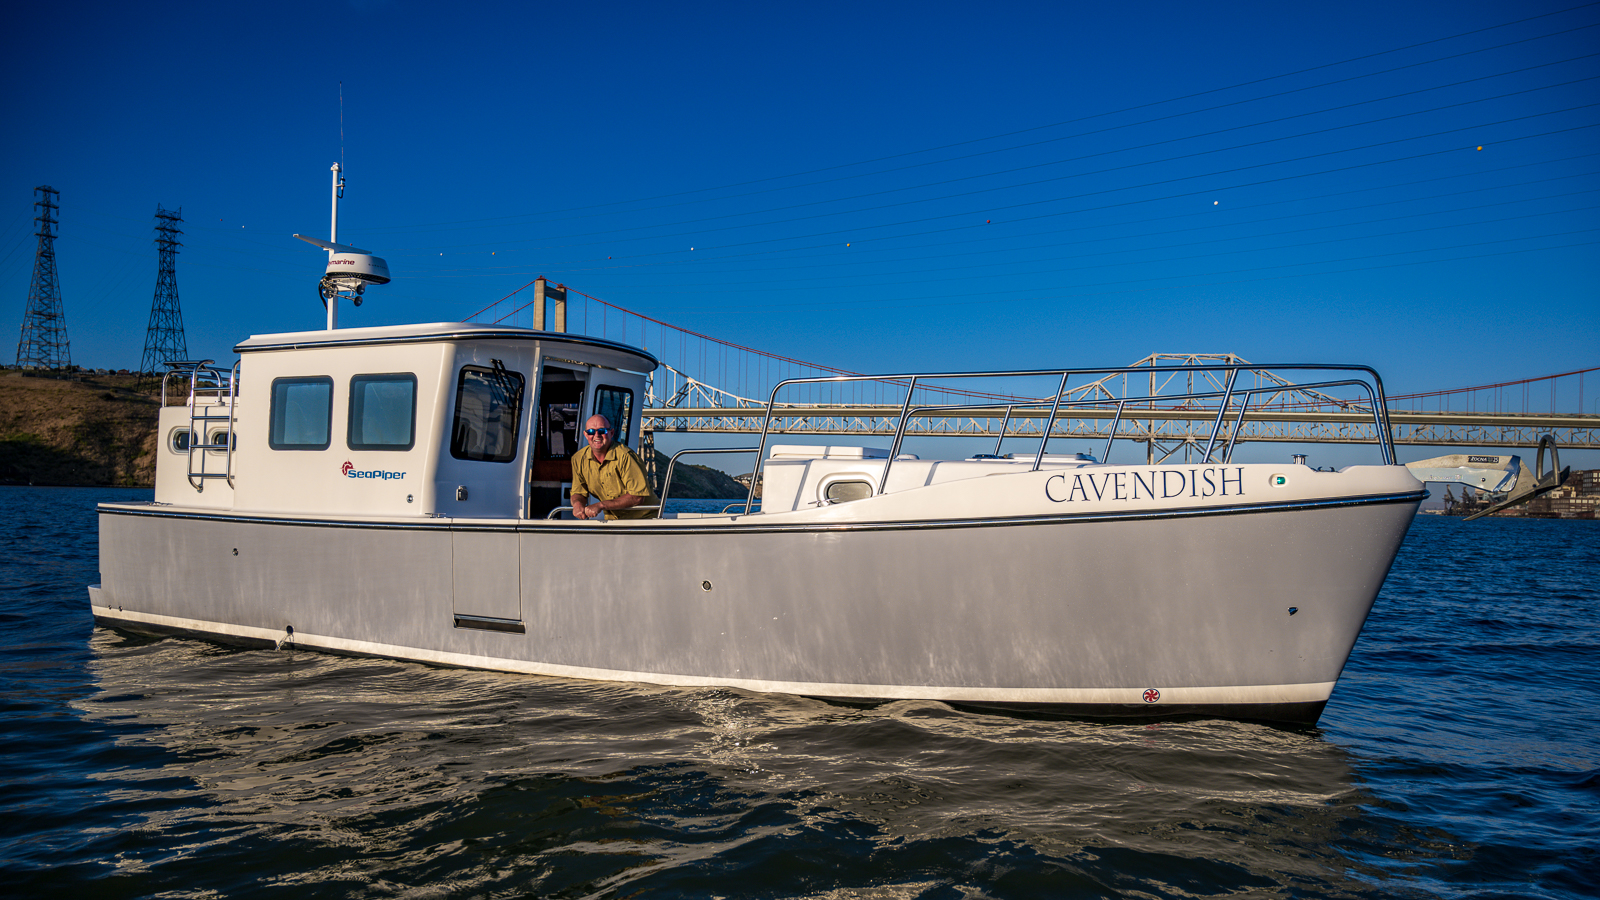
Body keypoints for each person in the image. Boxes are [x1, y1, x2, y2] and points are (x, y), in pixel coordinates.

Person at [570, 414, 658, 520]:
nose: (596, 435)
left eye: (602, 431)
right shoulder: (578, 459)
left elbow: (637, 497)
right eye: (591, 432)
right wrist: (577, 504)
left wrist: (601, 505)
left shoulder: (626, 456)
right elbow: (578, 492)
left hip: (645, 518)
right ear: (585, 434)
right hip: (613, 519)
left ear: (611, 433)